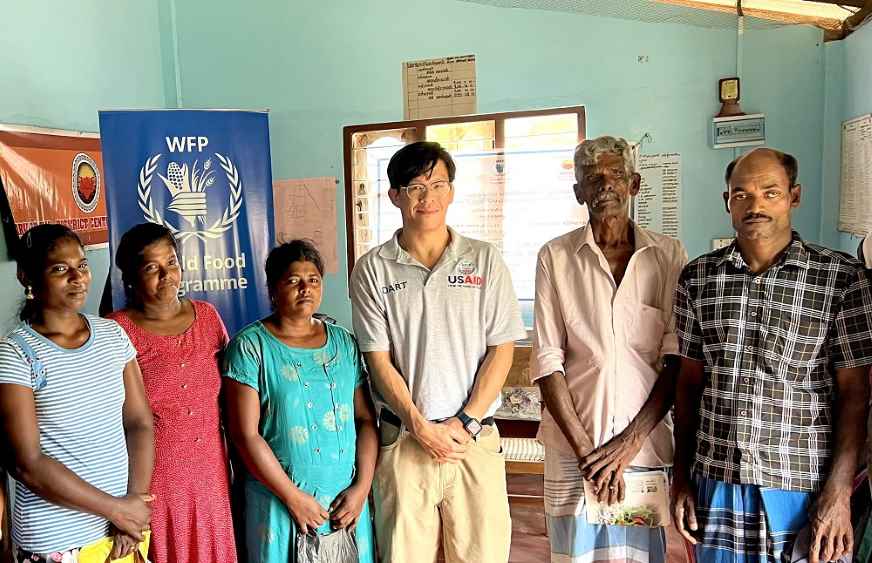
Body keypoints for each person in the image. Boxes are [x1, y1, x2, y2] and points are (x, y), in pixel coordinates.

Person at [672, 148, 872, 563]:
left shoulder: (840, 280)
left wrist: (838, 495)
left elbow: (855, 395)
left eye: (770, 192)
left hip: (801, 486)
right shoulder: (698, 278)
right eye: (741, 194)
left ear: (794, 196)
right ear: (727, 202)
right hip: (717, 478)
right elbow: (689, 384)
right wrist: (682, 476)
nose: (755, 205)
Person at [350, 141, 527, 563]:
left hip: (474, 440)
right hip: (405, 442)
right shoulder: (373, 269)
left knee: (481, 554)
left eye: (437, 184)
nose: (426, 197)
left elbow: (501, 350)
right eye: (414, 187)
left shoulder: (484, 260)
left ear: (451, 191)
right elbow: (378, 361)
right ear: (394, 195)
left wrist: (465, 421)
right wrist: (419, 425)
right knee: (403, 555)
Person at [532, 136, 687, 562]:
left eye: (615, 174)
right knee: (572, 554)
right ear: (578, 191)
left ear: (634, 184)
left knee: (635, 555)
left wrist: (626, 446)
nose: (604, 184)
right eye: (592, 177)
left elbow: (674, 360)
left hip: (643, 448)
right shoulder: (555, 257)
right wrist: (588, 454)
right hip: (571, 451)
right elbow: (548, 361)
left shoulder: (668, 256)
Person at [0, 224, 154, 562]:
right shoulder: (15, 354)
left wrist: (136, 502)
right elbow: (29, 463)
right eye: (60, 268)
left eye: (82, 265)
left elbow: (139, 422)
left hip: (123, 532)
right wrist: (117, 510)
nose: (78, 277)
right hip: (58, 538)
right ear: (27, 277)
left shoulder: (112, 335)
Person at [223, 240, 377, 563]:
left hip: (344, 506)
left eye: (313, 280)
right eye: (293, 280)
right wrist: (293, 498)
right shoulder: (251, 347)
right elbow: (244, 435)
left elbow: (364, 420)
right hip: (281, 506)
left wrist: (361, 488)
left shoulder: (344, 343)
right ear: (273, 289)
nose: (305, 288)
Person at [107, 222, 237, 563]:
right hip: (151, 481)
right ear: (131, 278)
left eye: (172, 262)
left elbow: (235, 396)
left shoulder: (208, 317)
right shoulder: (116, 329)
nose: (167, 275)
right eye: (152, 267)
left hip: (211, 476)